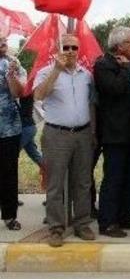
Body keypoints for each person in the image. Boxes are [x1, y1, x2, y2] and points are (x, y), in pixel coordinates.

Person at [34, 34, 97, 247]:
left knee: (82, 181)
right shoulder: (45, 72)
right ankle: (56, 228)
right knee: (55, 183)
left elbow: (91, 105)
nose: (70, 51)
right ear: (59, 50)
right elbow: (39, 95)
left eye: (74, 48)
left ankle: (81, 223)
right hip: (56, 134)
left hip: (82, 134)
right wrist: (56, 71)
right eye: (66, 47)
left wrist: (93, 132)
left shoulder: (86, 75)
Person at [93, 26, 130, 238]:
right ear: (120, 45)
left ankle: (125, 215)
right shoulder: (103, 64)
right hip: (115, 133)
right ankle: (108, 221)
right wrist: (126, 70)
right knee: (114, 178)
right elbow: (113, 89)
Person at [0, 36, 25, 230]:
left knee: (8, 172)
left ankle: (9, 216)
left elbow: (18, 93)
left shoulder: (13, 64)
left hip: (9, 129)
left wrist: (11, 76)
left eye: (3, 42)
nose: (2, 45)